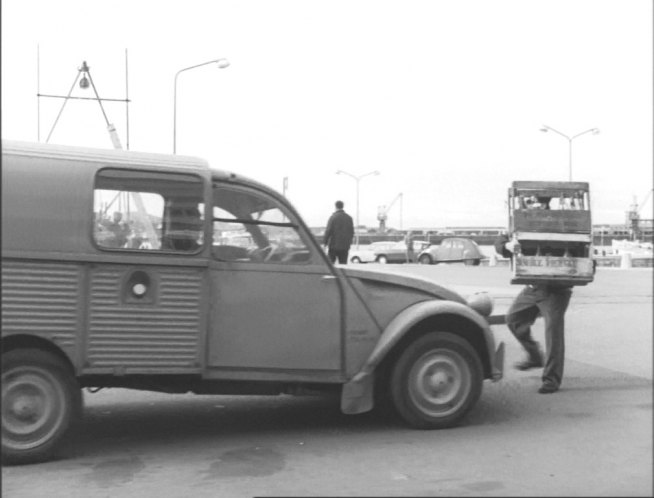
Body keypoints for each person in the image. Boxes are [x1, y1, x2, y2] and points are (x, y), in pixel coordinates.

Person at [495, 231, 573, 394]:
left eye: (537, 203)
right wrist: (507, 246)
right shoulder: (520, 223)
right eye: (531, 203)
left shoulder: (560, 223)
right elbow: (500, 241)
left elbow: (582, 252)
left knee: (553, 331)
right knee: (513, 319)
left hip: (556, 290)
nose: (534, 204)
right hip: (533, 287)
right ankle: (535, 356)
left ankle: (551, 379)